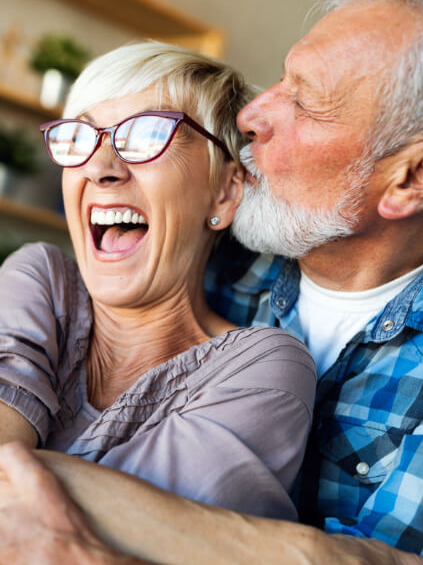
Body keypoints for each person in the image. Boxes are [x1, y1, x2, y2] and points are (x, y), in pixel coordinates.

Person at [0, 0, 423, 563]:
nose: (252, 115)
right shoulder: (232, 245)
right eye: (282, 79)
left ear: (413, 178)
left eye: (305, 102)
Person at [0, 41, 316, 521]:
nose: (100, 168)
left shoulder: (264, 367)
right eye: (80, 137)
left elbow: (135, 535)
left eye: (147, 135)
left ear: (226, 192)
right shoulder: (40, 278)